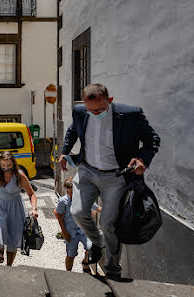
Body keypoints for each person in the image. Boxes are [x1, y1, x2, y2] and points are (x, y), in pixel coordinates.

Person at [59, 83, 160, 278]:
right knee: (77, 212)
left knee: (108, 223)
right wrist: (64, 152)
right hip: (87, 170)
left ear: (110, 101)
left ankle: (113, 266)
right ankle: (98, 242)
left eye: (100, 110)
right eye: (91, 110)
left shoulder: (131, 115)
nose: (95, 114)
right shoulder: (80, 112)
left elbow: (152, 140)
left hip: (115, 176)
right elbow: (72, 131)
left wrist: (141, 159)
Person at [0, 151, 38, 266]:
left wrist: (34, 208)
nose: (6, 168)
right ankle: (0, 247)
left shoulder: (20, 176)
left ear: (13, 164)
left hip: (15, 207)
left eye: (9, 166)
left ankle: (9, 266)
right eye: (3, 165)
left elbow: (31, 194)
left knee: (13, 237)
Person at [55, 177, 101, 274]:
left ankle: (85, 262)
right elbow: (58, 214)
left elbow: (97, 208)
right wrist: (64, 232)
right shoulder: (63, 201)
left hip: (84, 231)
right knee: (71, 254)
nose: (70, 195)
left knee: (91, 247)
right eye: (68, 192)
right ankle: (68, 273)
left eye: (73, 193)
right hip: (70, 232)